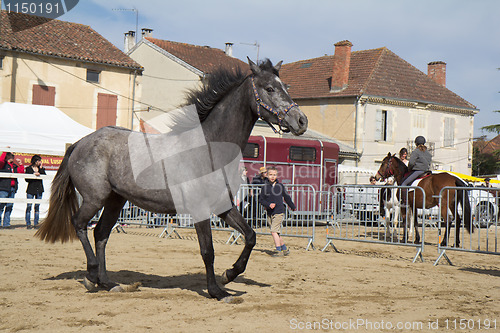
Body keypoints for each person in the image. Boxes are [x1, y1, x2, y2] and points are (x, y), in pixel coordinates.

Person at [259, 166, 296, 257]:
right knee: (276, 232)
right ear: (267, 175)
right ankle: (284, 248)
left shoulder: (280, 186)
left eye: (274, 175)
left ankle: (278, 250)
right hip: (269, 213)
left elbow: (286, 197)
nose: (272, 176)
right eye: (271, 174)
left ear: (277, 175)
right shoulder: (265, 187)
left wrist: (292, 206)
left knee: (273, 231)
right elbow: (261, 200)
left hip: (279, 212)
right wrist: (268, 204)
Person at [400, 136, 432, 206]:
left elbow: (411, 163)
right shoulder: (428, 153)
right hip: (427, 171)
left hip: (418, 171)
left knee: (404, 184)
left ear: (416, 143)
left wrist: (409, 169)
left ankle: (405, 202)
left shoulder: (416, 151)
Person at [0, 151, 25, 228]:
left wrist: (21, 164)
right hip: (3, 188)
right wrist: (5, 151)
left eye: (13, 156)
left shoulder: (14, 166)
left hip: (12, 188)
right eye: (11, 155)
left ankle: (6, 224)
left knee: (9, 206)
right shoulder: (3, 165)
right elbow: (1, 160)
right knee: (1, 206)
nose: (13, 157)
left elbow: (21, 172)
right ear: (7, 156)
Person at [25, 155, 46, 229]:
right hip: (31, 189)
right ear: (35, 161)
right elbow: (26, 179)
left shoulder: (41, 169)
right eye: (39, 161)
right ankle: (28, 223)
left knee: (37, 207)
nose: (40, 162)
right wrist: (33, 175)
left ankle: (36, 223)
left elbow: (45, 176)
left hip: (39, 189)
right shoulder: (28, 168)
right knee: (29, 206)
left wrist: (40, 170)